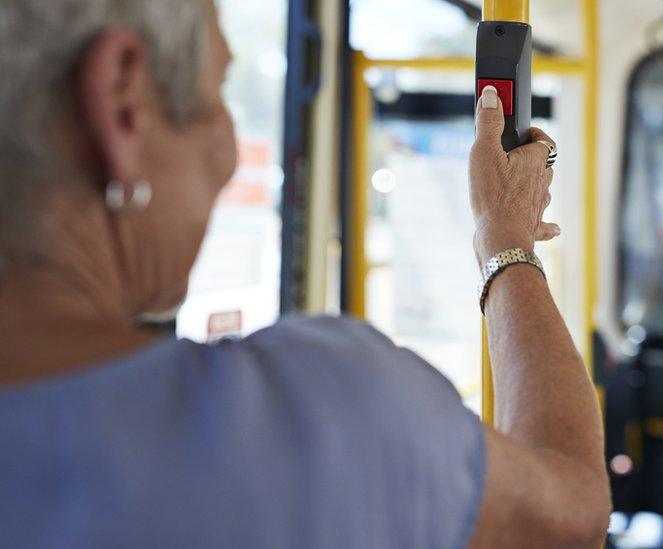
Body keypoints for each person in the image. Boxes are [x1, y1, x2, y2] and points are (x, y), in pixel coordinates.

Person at [0, 1, 610, 548]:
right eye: (217, 97)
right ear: (121, 99)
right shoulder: (316, 419)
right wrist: (505, 243)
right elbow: (571, 512)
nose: (230, 155)